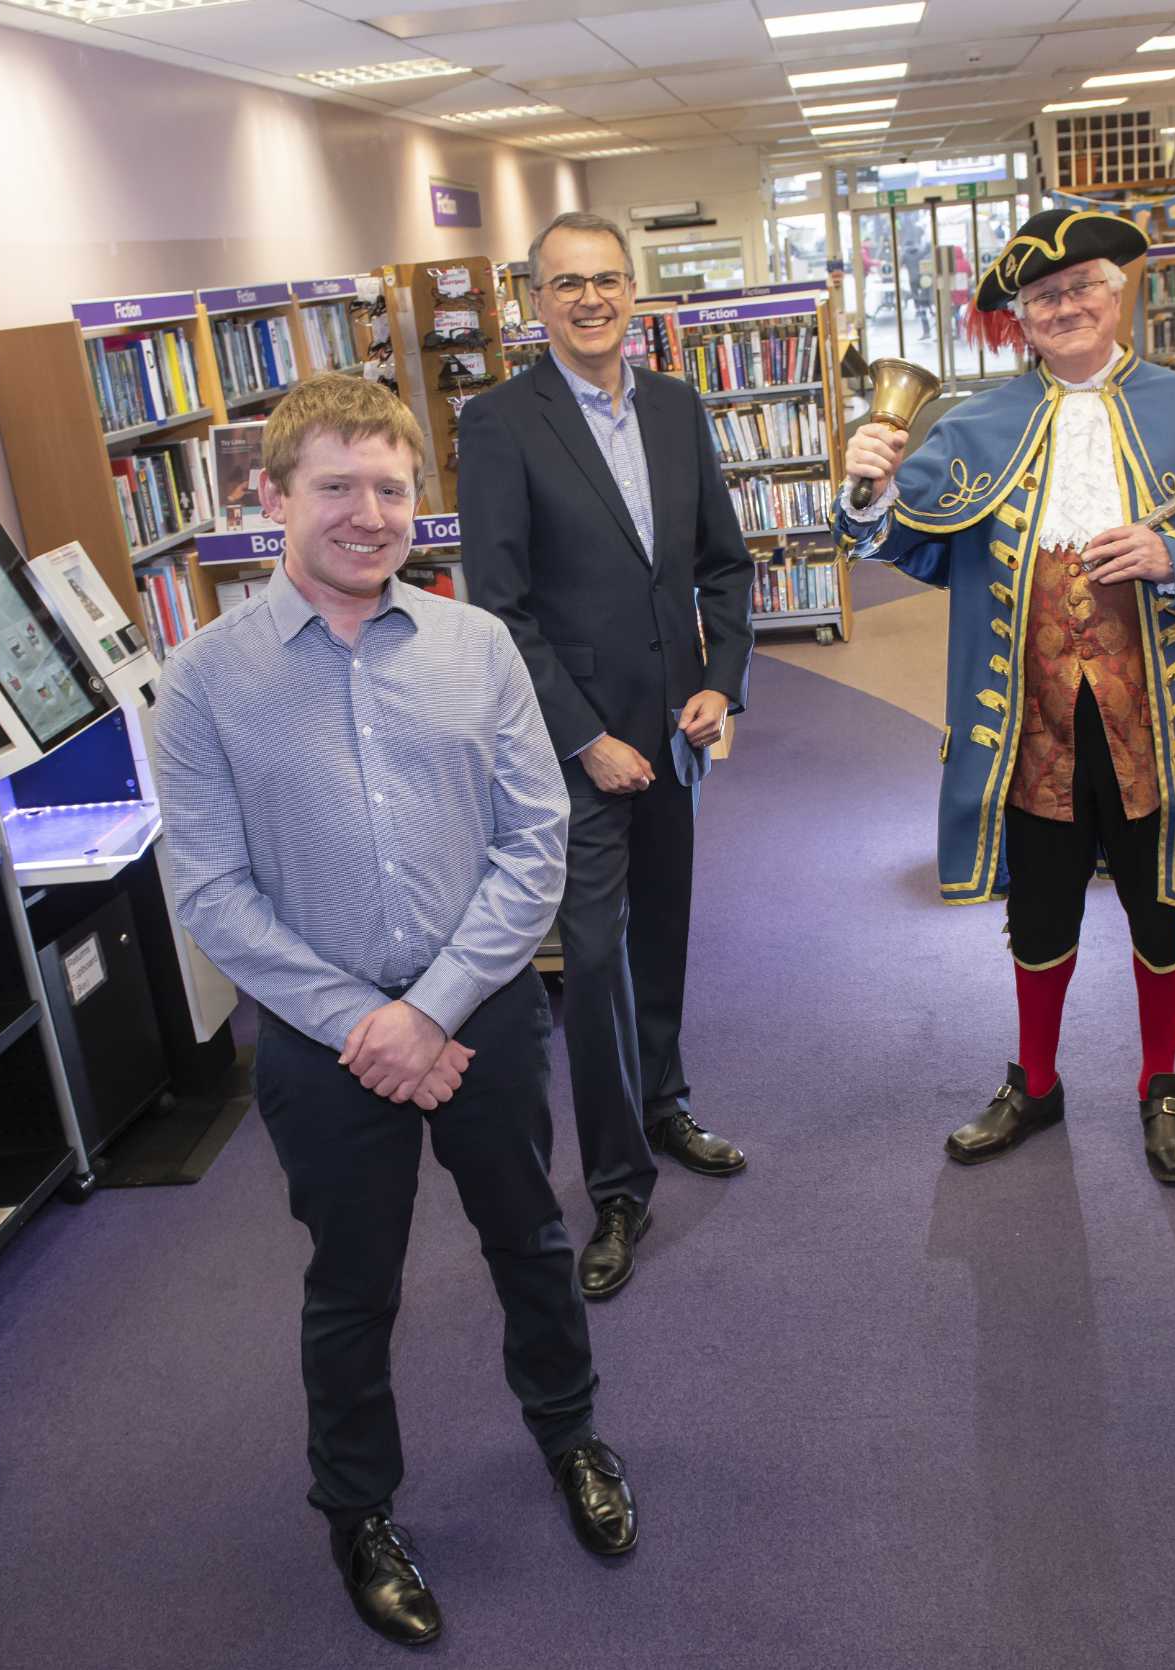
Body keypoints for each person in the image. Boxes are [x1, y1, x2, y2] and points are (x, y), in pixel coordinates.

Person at [153, 374, 638, 1650]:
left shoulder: (476, 646)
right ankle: (358, 1511)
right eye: (335, 487)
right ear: (268, 499)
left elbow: (537, 841)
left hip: (479, 1011)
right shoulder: (202, 682)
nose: (369, 515)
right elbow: (211, 887)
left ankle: (571, 1435)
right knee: (351, 1283)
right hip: (324, 1048)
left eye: (391, 487)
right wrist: (369, 1021)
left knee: (530, 1238)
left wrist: (426, 1009)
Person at [838, 208, 1175, 1180]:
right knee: (1040, 908)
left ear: (1120, 289)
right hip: (1029, 721)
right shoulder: (979, 422)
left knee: (1158, 902)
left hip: (1156, 724)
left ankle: (1162, 1085)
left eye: (1080, 285)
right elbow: (917, 543)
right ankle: (1038, 1083)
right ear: (1021, 317)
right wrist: (870, 492)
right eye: (1040, 296)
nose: (1062, 306)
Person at [459, 211, 755, 1303]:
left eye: (609, 280)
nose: (591, 299)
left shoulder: (677, 406)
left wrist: (720, 680)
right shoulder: (498, 422)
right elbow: (501, 608)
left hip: (677, 730)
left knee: (665, 932)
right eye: (567, 283)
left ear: (636, 294)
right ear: (534, 300)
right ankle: (619, 1185)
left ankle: (668, 1102)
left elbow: (722, 567)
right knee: (592, 962)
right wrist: (585, 738)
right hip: (573, 745)